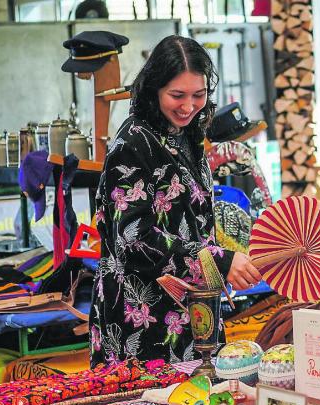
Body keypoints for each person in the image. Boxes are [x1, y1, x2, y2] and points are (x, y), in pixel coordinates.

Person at [89, 35, 262, 367]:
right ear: (154, 89)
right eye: (177, 96)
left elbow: (191, 215)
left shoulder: (188, 133)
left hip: (191, 308)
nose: (188, 106)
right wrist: (218, 260)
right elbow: (133, 238)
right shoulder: (133, 143)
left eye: (198, 95)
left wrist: (227, 255)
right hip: (140, 318)